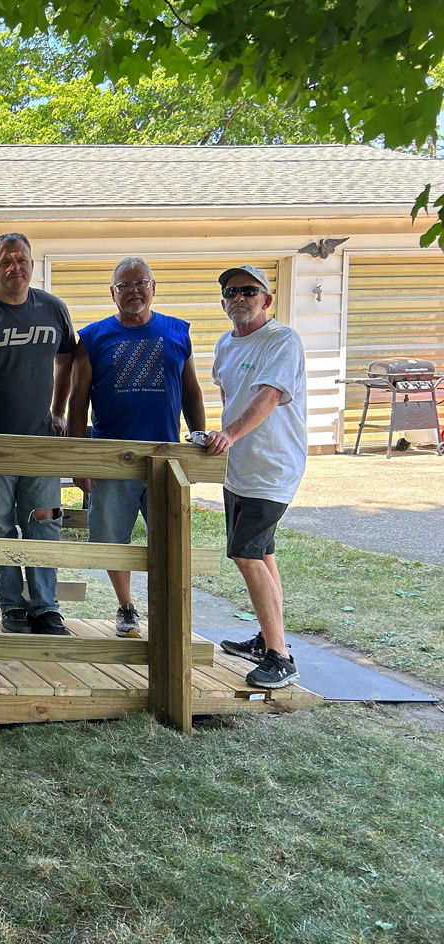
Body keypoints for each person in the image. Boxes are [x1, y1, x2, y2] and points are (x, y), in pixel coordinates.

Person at [68, 257, 205, 638]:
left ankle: (167, 613)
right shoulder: (92, 338)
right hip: (114, 459)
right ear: (112, 293)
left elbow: (191, 391)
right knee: (113, 541)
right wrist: (81, 459)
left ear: (154, 286)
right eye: (124, 285)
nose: (133, 291)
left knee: (169, 540)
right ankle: (126, 606)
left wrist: (198, 438)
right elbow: (77, 402)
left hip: (166, 458)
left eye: (140, 283)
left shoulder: (178, 332)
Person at [0, 233, 75, 635]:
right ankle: (12, 607)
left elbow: (67, 360)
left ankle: (45, 607)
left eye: (21, 260)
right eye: (6, 261)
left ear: (32, 265)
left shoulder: (54, 309)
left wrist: (59, 410)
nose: (14, 267)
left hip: (38, 441)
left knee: (44, 522)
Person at [205, 265, 308, 689]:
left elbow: (268, 396)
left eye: (249, 291)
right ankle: (269, 638)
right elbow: (231, 397)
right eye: (231, 292)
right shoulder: (225, 344)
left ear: (266, 300)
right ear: (224, 302)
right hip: (239, 468)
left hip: (272, 466)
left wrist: (229, 433)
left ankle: (281, 657)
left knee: (244, 553)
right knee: (262, 554)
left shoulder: (282, 340)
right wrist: (222, 435)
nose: (239, 298)